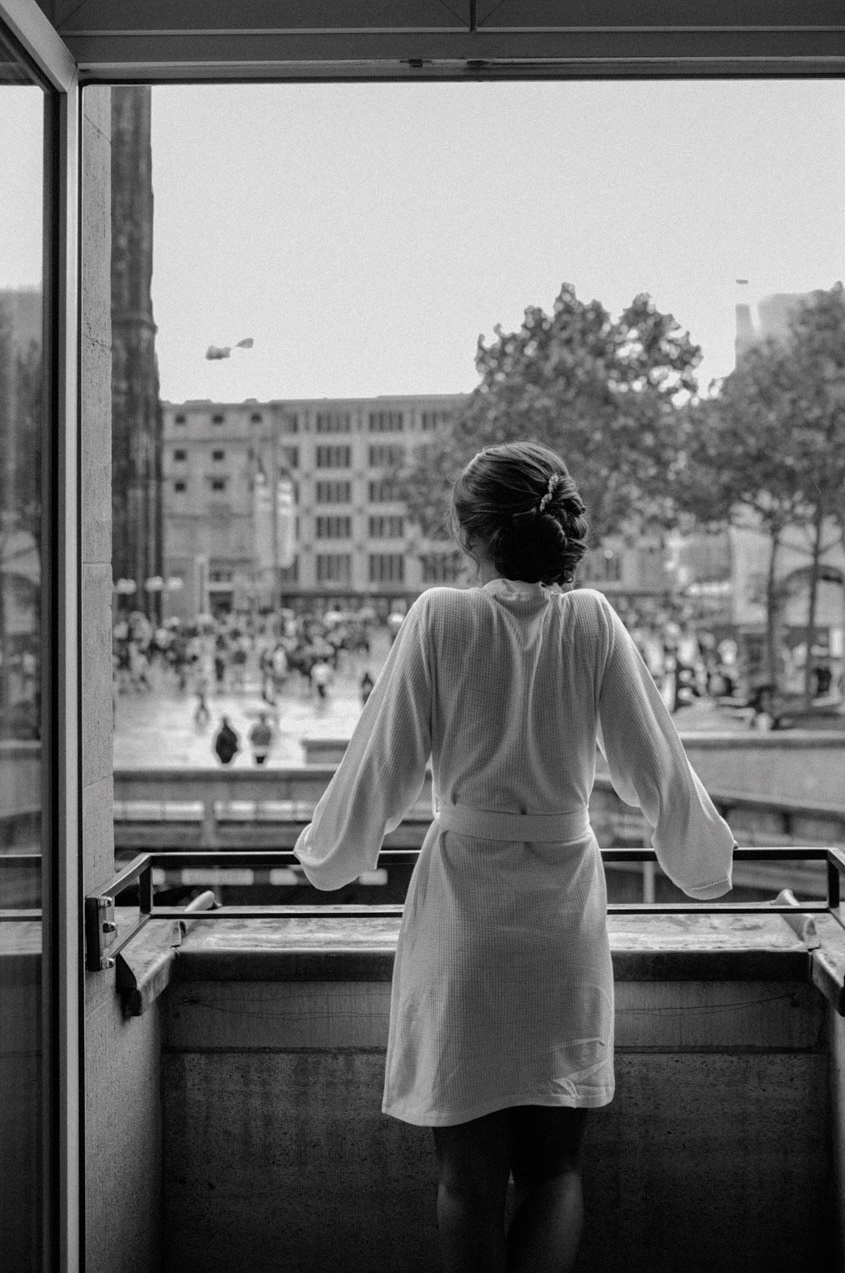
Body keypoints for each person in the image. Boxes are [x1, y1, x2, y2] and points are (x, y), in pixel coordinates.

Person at [294, 442, 734, 1272]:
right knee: (555, 1166)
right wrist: (708, 866)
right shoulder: (594, 621)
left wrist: (327, 857)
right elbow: (660, 772)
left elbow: (379, 769)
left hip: (463, 914)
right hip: (564, 918)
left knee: (467, 1182)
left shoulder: (438, 617)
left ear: (471, 537)